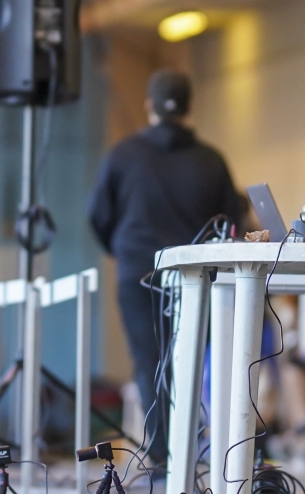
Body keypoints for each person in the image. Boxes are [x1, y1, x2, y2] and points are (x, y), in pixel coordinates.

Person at [87, 70, 248, 464]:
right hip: (197, 280)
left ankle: (162, 462)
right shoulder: (212, 160)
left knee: (151, 366)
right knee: (193, 363)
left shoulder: (122, 155)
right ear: (190, 107)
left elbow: (97, 216)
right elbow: (233, 223)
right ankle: (200, 453)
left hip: (139, 274)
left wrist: (125, 254)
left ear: (149, 106)